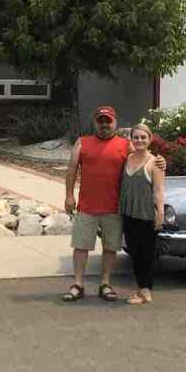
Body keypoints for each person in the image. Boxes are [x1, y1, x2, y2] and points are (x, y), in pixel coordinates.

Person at [62, 106, 131, 302]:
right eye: (101, 121)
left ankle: (105, 284)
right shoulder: (82, 143)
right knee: (80, 246)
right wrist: (69, 196)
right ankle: (78, 284)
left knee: (110, 247)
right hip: (87, 206)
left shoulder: (126, 145)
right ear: (95, 123)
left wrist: (159, 162)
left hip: (114, 207)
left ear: (115, 123)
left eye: (108, 121)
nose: (104, 125)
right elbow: (71, 170)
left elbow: (143, 162)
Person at [119, 124, 167, 305]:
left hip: (146, 214)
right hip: (129, 213)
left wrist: (160, 212)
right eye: (136, 137)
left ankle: (146, 292)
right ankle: (141, 289)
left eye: (143, 137)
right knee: (134, 252)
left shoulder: (155, 163)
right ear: (131, 139)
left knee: (145, 255)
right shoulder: (127, 159)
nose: (139, 140)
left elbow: (159, 190)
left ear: (150, 139)